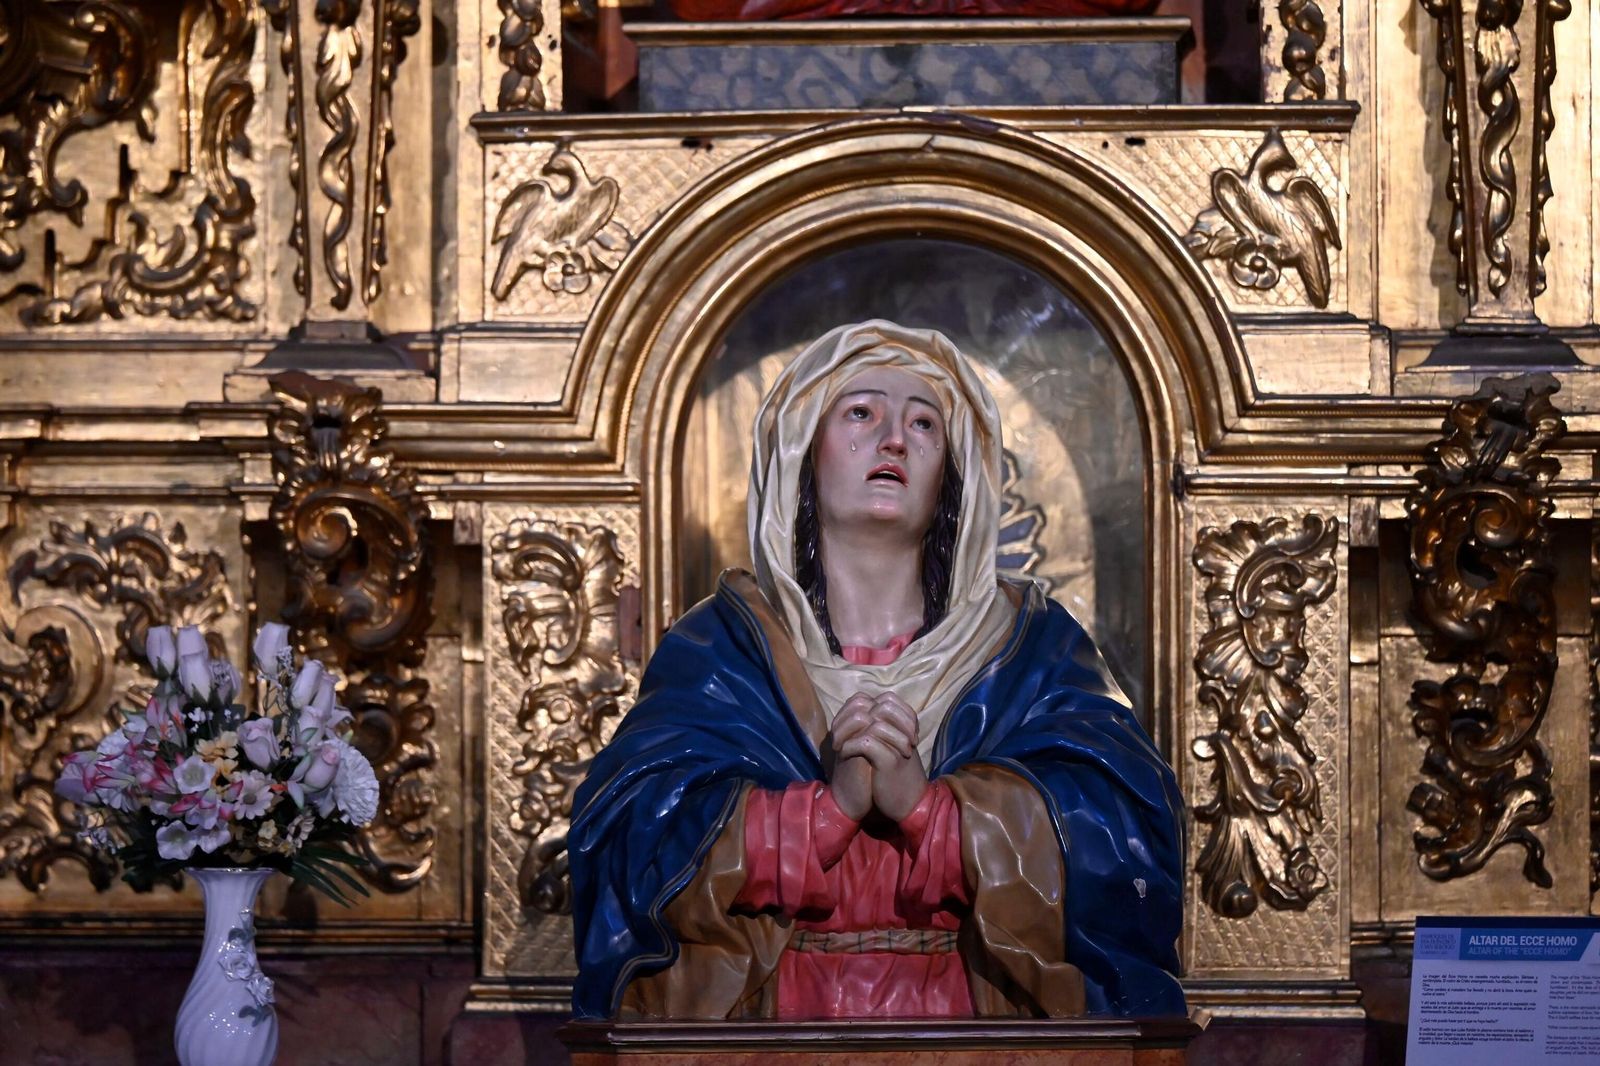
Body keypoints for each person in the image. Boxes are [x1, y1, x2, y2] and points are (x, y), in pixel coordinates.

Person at [568, 320, 1185, 1020]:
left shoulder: (1030, 648)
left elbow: (1130, 837)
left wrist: (938, 816)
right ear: (803, 450)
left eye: (923, 424)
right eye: (861, 413)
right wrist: (814, 821)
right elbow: (627, 839)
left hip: (977, 1024)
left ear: (953, 473)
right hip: (774, 1032)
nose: (894, 439)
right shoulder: (722, 650)